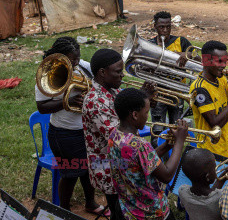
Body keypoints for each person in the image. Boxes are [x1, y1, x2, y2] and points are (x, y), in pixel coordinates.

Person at [35, 37, 105, 215]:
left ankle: (90, 203)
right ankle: (63, 210)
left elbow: (100, 79)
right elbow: (42, 107)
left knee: (89, 169)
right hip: (63, 134)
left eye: (77, 58)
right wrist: (68, 102)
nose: (75, 63)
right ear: (60, 56)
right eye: (72, 59)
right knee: (70, 174)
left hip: (86, 130)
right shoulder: (48, 71)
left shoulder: (81, 65)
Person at [109, 88, 188, 220]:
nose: (147, 116)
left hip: (128, 208)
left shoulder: (114, 135)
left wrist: (168, 145)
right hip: (152, 213)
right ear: (134, 115)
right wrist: (180, 142)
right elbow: (167, 175)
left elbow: (143, 161)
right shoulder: (140, 145)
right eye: (146, 112)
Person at [82, 48, 125, 220]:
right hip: (107, 167)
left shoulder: (112, 90)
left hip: (117, 163)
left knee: (122, 207)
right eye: (118, 72)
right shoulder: (95, 101)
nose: (122, 75)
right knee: (118, 211)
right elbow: (118, 138)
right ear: (102, 72)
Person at [190, 40, 228, 158]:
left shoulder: (221, 80)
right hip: (211, 152)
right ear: (206, 61)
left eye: (225, 61)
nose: (224, 65)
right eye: (219, 61)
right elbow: (215, 124)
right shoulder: (200, 89)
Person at [148, 11, 194, 148]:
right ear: (155, 26)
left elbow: (197, 56)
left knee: (176, 128)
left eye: (168, 26)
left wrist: (186, 54)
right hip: (158, 93)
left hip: (177, 92)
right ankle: (158, 162)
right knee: (157, 130)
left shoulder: (181, 41)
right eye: (162, 27)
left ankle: (174, 158)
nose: (165, 30)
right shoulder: (149, 44)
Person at [178, 148, 228, 220]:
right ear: (208, 176)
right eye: (214, 168)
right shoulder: (222, 197)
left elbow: (210, 195)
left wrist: (223, 177)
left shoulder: (182, 191)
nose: (216, 169)